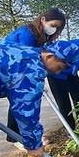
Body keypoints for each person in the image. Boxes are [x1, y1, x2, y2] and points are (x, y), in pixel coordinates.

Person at [4, 8, 66, 146]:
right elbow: (25, 60)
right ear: (43, 19)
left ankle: (24, 136)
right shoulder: (28, 34)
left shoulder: (38, 35)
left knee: (22, 103)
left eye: (57, 29)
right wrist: (32, 81)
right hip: (10, 70)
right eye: (54, 26)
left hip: (16, 71)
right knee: (20, 103)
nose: (54, 30)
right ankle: (17, 139)